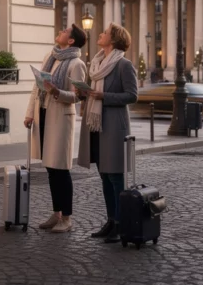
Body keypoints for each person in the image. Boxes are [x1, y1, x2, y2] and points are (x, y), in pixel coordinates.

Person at [76, 23, 138, 243]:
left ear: (113, 40)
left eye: (105, 33)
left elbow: (132, 95)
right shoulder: (96, 64)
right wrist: (83, 93)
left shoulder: (123, 65)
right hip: (96, 126)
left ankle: (121, 224)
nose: (100, 34)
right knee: (104, 175)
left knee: (115, 177)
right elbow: (93, 93)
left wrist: (104, 97)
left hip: (113, 126)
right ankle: (111, 220)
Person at [23, 24, 87, 234]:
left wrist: (56, 91)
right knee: (50, 168)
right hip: (43, 114)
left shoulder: (77, 64)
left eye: (65, 31)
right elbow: (37, 87)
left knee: (61, 169)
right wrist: (30, 113)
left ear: (71, 40)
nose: (60, 31)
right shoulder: (50, 57)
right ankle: (56, 213)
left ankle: (67, 218)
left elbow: (78, 96)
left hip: (60, 118)